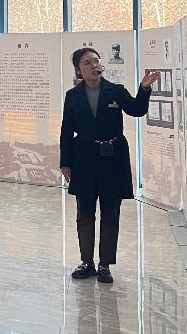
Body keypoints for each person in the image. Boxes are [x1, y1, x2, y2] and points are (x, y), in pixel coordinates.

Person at [60, 47, 158, 284]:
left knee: (111, 212)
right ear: (78, 70)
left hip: (114, 158)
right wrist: (65, 162)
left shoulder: (116, 91)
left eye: (96, 61)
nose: (93, 65)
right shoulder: (73, 96)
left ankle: (105, 264)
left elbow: (137, 109)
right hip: (84, 157)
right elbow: (66, 130)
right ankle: (87, 262)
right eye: (87, 63)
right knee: (85, 214)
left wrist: (144, 89)